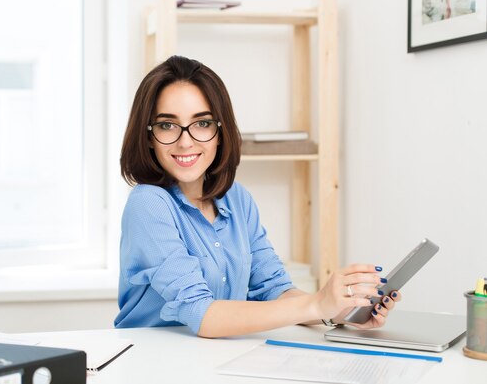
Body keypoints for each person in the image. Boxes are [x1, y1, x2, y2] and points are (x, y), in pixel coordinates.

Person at [114, 55, 401, 338]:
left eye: (202, 124)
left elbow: (273, 289)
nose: (185, 141)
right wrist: (316, 303)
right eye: (167, 125)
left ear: (220, 132)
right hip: (153, 365)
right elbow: (202, 315)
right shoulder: (148, 204)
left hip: (214, 361)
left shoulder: (237, 199)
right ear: (149, 136)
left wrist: (338, 312)